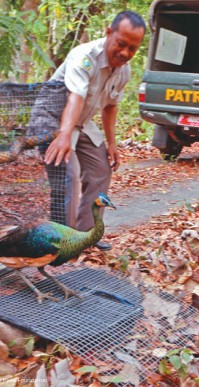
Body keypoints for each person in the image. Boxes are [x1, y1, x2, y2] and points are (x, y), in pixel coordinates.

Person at [43, 11, 146, 250]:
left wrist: (112, 143)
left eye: (132, 49)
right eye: (121, 44)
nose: (125, 53)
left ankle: (86, 236)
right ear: (108, 33)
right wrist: (64, 136)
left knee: (101, 170)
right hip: (52, 118)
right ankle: (62, 243)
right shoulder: (84, 56)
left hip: (81, 122)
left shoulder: (123, 70)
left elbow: (110, 106)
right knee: (68, 174)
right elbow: (75, 98)